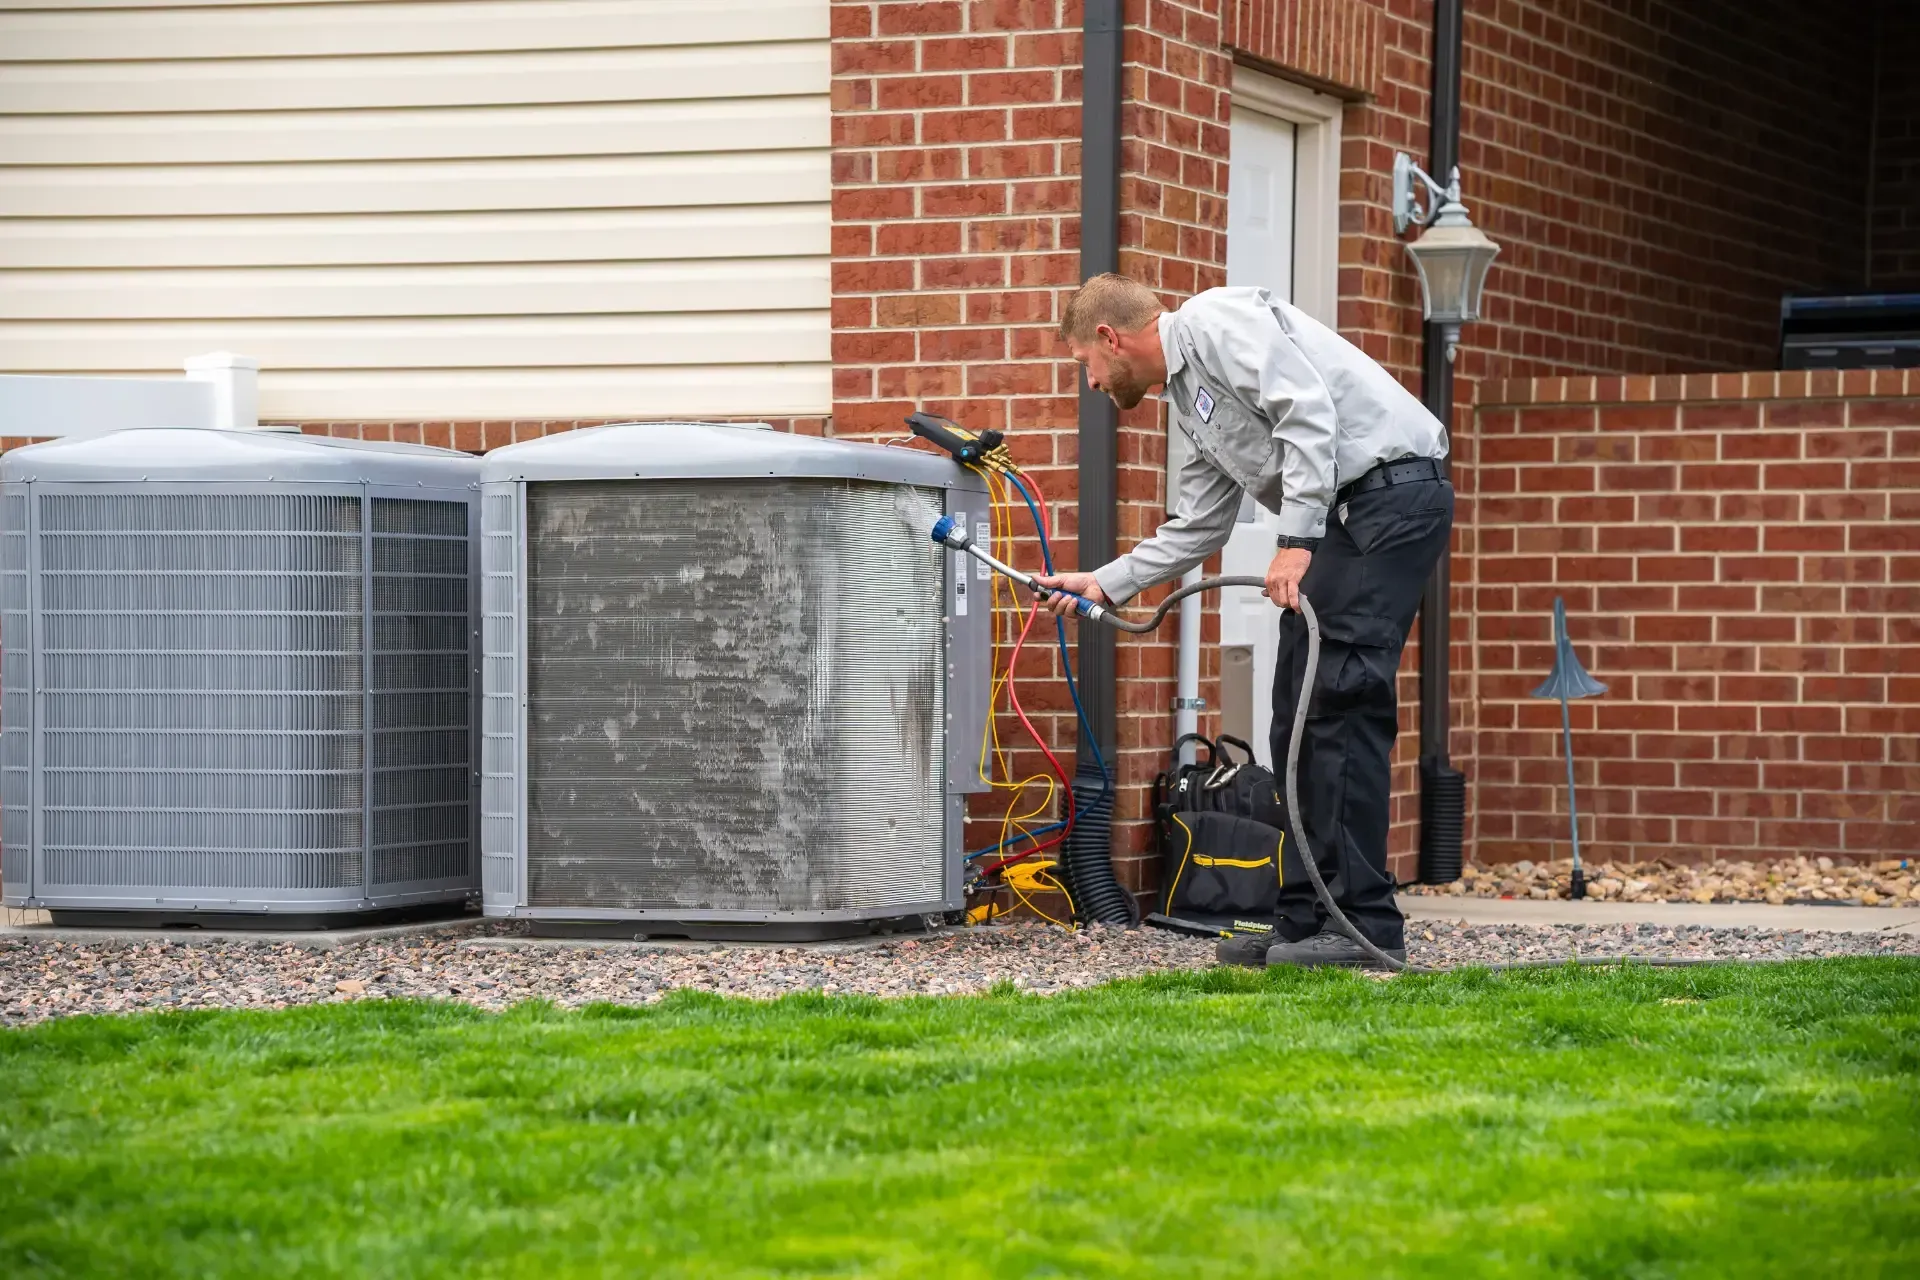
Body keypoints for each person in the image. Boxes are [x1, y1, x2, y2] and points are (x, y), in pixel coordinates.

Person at [1036, 273, 1452, 970]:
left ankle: (1363, 928)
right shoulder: (1188, 401)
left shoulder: (1214, 321)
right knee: (1292, 719)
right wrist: (1104, 585)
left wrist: (1296, 542)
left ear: (1110, 339)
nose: (1092, 383)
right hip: (1344, 517)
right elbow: (1200, 523)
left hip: (1388, 499)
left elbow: (1306, 410)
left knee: (1339, 706)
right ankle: (1303, 919)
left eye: (1086, 364)